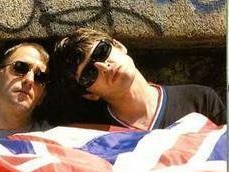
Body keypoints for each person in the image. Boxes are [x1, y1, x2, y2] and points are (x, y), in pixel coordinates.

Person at [46, 28, 226, 130]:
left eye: (102, 52)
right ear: (90, 94)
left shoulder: (199, 99)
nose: (103, 67)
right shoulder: (94, 136)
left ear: (118, 46)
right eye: (89, 74)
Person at [0, 42, 52, 138]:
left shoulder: (59, 142)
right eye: (20, 67)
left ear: (42, 96)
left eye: (40, 77)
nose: (30, 80)